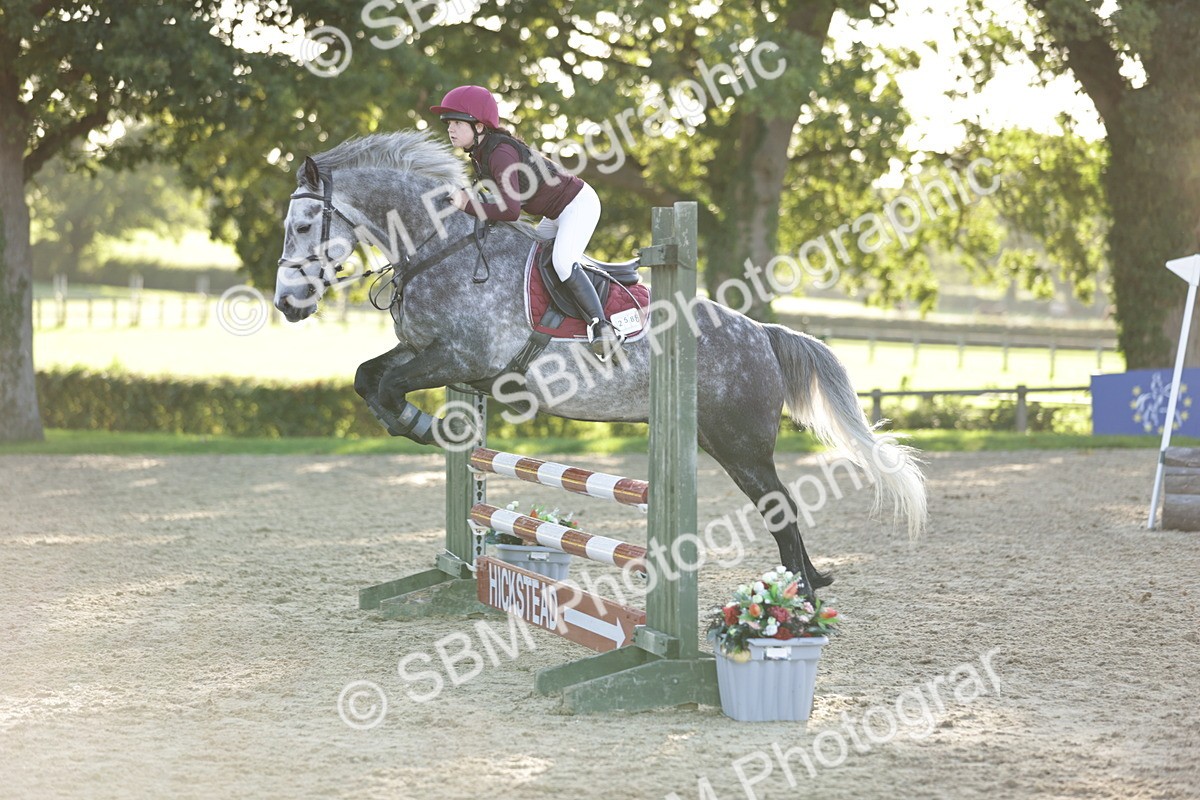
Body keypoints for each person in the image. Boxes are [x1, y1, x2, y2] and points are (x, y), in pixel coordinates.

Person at [430, 85, 622, 360]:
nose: (451, 129)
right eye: (449, 124)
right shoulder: (481, 153)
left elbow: (509, 211)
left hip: (578, 205)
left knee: (563, 262)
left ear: (480, 126)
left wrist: (466, 204)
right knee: (528, 259)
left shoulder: (500, 154)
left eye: (458, 123)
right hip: (555, 213)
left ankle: (602, 327)